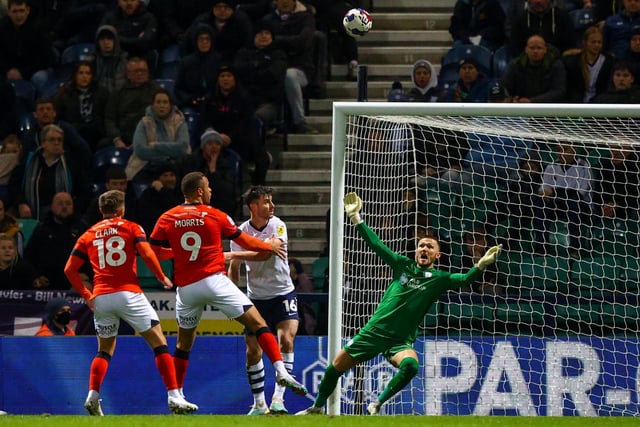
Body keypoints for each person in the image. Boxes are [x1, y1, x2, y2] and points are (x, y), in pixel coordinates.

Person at [296, 192, 501, 415]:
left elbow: (465, 280)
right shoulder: (402, 265)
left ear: (438, 255)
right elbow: (376, 245)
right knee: (333, 370)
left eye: (430, 247)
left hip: (399, 341)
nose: (424, 249)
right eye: (421, 245)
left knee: (411, 366)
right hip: (373, 332)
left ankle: (376, 404)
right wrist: (356, 218)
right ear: (416, 250)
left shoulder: (439, 279)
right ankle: (317, 407)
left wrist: (480, 265)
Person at [148, 171, 307, 400]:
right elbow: (245, 241)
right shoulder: (215, 215)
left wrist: (176, 253)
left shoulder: (168, 216)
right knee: (259, 324)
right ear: (200, 191)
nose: (211, 190)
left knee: (184, 343)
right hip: (214, 280)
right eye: (208, 186)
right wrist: (267, 247)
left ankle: (176, 395)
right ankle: (281, 371)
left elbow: (152, 251)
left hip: (186, 289)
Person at [64, 189, 198, 416]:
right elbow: (146, 254)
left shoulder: (88, 234)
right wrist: (161, 276)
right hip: (128, 293)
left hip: (102, 296)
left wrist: (87, 295)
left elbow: (69, 269)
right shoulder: (131, 227)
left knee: (104, 350)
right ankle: (175, 396)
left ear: (101, 210)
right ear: (122, 209)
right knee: (159, 343)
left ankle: (92, 396)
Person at [227, 186, 299, 415]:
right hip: (255, 297)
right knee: (252, 352)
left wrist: (232, 254)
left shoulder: (278, 224)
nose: (272, 206)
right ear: (253, 206)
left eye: (272, 201)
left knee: (286, 340)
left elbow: (268, 252)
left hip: (282, 293)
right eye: (267, 202)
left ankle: (279, 399)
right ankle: (259, 404)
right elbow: (234, 268)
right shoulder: (241, 231)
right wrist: (232, 296)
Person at [200, 65, 270, 185]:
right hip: (214, 138)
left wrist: (231, 136)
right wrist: (216, 136)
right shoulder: (210, 99)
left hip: (239, 139)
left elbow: (246, 122)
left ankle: (257, 188)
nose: (225, 79)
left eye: (228, 76)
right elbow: (204, 121)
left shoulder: (244, 98)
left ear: (234, 79)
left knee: (262, 157)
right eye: (222, 76)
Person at [9, 124, 91, 220]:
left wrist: (71, 208)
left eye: (59, 140)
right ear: (43, 143)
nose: (56, 143)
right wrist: (21, 203)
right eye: (52, 140)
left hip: (63, 217)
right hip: (32, 213)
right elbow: (13, 186)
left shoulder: (71, 164)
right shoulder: (28, 161)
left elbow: (85, 192)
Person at [263, 0, 318, 134]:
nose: (285, 2)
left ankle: (299, 121)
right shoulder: (268, 19)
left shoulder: (306, 18)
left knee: (290, 75)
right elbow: (262, 43)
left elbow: (302, 42)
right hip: (274, 65)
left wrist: (276, 41)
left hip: (302, 69)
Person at [533, 142, 593, 257]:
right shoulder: (551, 166)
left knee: (573, 202)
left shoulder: (583, 166)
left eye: (565, 149)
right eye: (559, 149)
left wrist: (554, 192)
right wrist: (545, 193)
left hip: (582, 206)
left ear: (574, 150)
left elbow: (579, 193)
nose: (561, 153)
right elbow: (544, 190)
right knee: (541, 202)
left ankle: (575, 249)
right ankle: (541, 249)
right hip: (559, 205)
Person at [125, 88, 191, 185]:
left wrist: (156, 146)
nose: (162, 105)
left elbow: (182, 147)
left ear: (170, 105)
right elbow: (140, 150)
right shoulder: (144, 123)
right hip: (147, 166)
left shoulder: (179, 121)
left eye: (165, 102)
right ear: (152, 105)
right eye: (158, 102)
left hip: (173, 167)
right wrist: (168, 155)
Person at [25, 192, 88, 290]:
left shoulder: (82, 229)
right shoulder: (42, 229)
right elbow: (29, 257)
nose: (64, 207)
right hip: (47, 281)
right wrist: (36, 276)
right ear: (52, 206)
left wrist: (87, 274)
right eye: (60, 203)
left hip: (75, 280)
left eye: (68, 204)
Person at [233, 19, 288, 129]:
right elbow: (238, 70)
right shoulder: (243, 53)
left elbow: (273, 75)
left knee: (255, 118)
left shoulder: (278, 54)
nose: (264, 36)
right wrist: (260, 66)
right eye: (260, 33)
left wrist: (251, 71)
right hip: (246, 99)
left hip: (269, 102)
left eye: (267, 33)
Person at [102, 57, 162, 149]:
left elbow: (163, 118)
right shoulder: (118, 92)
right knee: (103, 145)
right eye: (136, 71)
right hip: (123, 137)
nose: (140, 74)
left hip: (149, 136)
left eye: (143, 71)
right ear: (128, 74)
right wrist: (117, 139)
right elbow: (110, 119)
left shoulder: (157, 92)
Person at [178, 128, 240, 217]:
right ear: (203, 146)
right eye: (210, 143)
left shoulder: (225, 165)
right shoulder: (190, 161)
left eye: (217, 144)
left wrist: (213, 172)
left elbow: (227, 190)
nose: (214, 147)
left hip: (216, 202)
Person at [53, 60, 110, 151]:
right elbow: (57, 117)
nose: (84, 76)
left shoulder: (102, 93)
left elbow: (108, 116)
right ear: (75, 75)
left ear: (92, 76)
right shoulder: (64, 93)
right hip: (75, 132)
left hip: (97, 132)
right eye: (81, 73)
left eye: (88, 73)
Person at [0, 0, 54, 92]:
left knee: (39, 78)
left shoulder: (38, 28)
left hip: (34, 69)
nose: (18, 16)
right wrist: (8, 71)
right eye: (15, 11)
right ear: (8, 12)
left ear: (28, 10)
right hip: (9, 70)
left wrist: (22, 72)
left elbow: (44, 59)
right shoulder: (2, 28)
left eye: (21, 10)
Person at [181, 0, 253, 63]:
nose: (222, 10)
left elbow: (246, 45)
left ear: (232, 9)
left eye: (226, 7)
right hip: (205, 61)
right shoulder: (202, 21)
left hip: (232, 61)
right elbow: (186, 42)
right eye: (218, 6)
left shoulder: (242, 21)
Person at [501, 34, 567, 103]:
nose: (535, 51)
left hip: (548, 107)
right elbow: (504, 87)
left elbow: (559, 91)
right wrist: (511, 99)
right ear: (526, 50)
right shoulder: (516, 65)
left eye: (539, 48)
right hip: (521, 106)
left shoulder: (556, 65)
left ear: (545, 50)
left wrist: (532, 101)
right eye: (532, 48)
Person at [174, 23, 222, 110]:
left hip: (214, 103)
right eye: (201, 39)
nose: (204, 42)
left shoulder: (219, 61)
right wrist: (190, 99)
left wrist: (209, 98)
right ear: (196, 41)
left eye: (207, 39)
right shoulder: (186, 62)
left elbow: (221, 86)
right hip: (190, 103)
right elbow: (178, 88)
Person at [563, 26, 614, 103]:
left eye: (599, 42)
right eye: (593, 42)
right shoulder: (573, 62)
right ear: (585, 43)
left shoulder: (609, 62)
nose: (597, 45)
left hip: (601, 103)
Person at [508, 0, 576, 56]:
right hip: (528, 63)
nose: (538, 1)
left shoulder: (562, 17)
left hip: (557, 61)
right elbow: (516, 48)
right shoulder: (520, 20)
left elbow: (569, 45)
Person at [136, 163, 182, 234]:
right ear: (158, 179)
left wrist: (162, 190)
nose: (169, 179)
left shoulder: (181, 192)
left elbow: (178, 209)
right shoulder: (149, 194)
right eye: (165, 176)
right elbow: (149, 217)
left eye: (172, 175)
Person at [93, 25, 128, 94]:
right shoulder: (91, 60)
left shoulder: (124, 61)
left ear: (116, 40)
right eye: (102, 39)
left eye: (109, 38)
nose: (106, 42)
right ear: (98, 42)